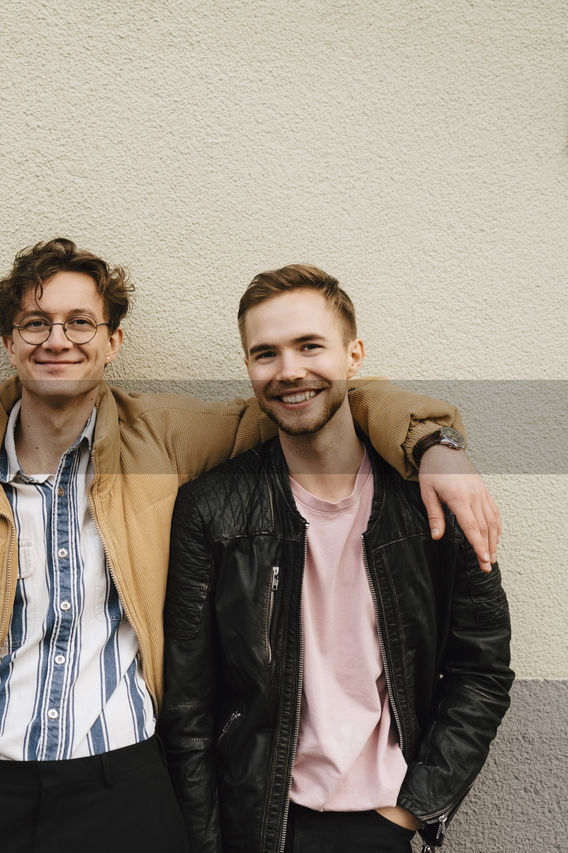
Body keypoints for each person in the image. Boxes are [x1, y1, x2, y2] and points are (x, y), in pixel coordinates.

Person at [0, 239, 501, 852]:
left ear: (114, 340)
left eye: (79, 322)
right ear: (9, 342)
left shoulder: (167, 438)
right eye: (35, 323)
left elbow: (316, 399)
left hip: (123, 785)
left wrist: (431, 443)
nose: (58, 339)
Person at [160, 264, 512, 853]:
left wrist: (412, 810)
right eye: (265, 353)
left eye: (309, 346)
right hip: (262, 821)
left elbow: (481, 672)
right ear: (248, 368)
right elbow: (189, 709)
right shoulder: (211, 510)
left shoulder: (432, 499)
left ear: (354, 355)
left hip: (380, 820)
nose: (289, 370)